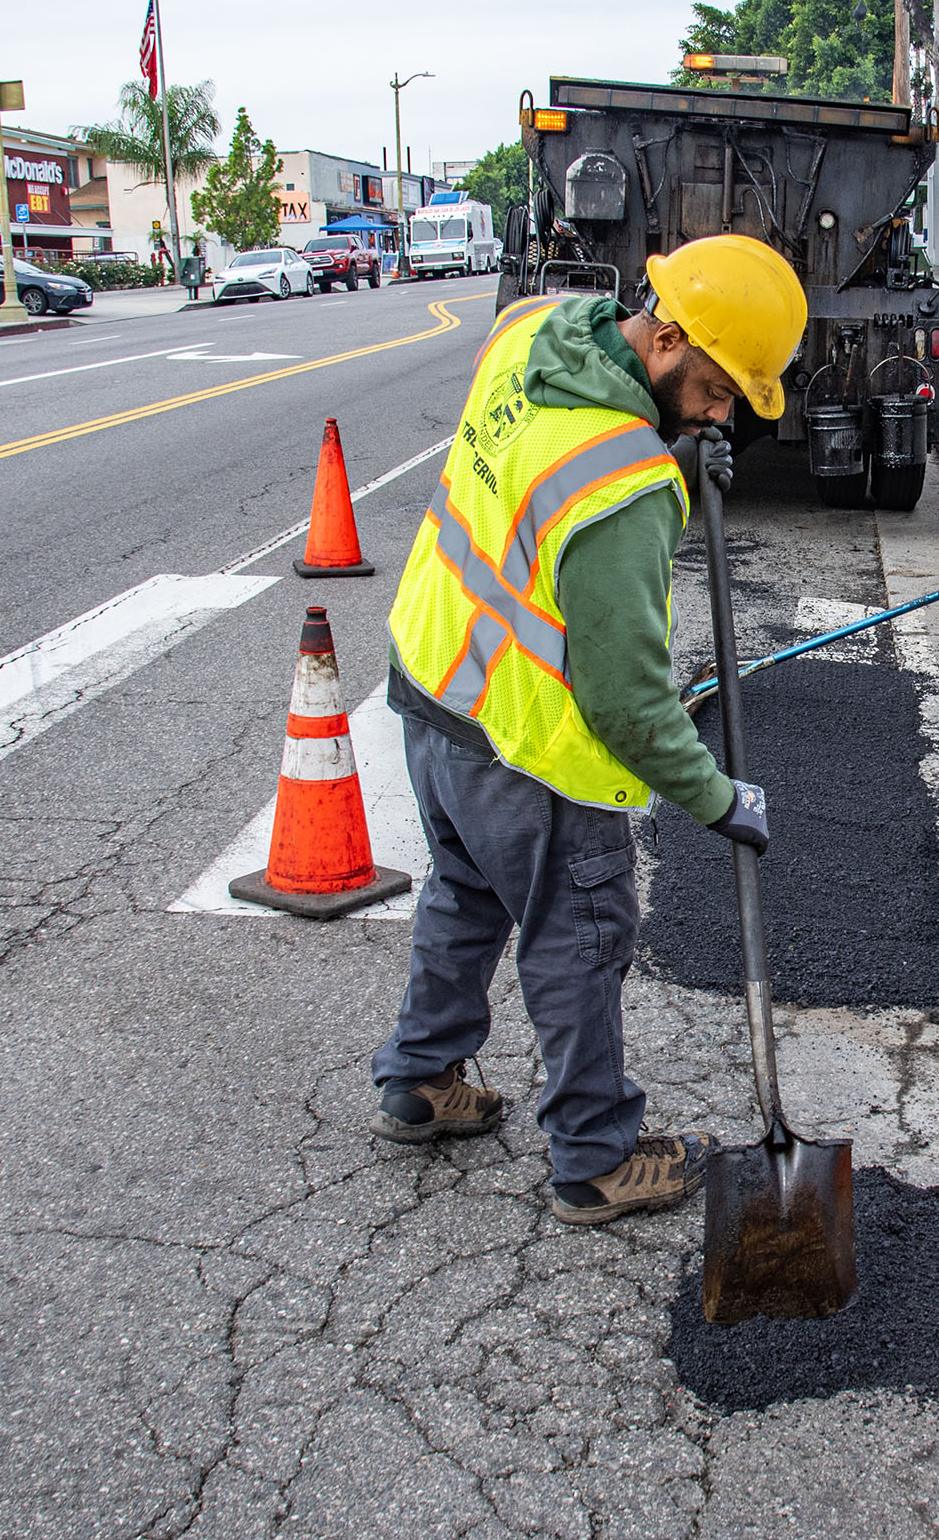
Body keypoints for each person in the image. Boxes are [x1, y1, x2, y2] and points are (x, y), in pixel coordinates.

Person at [376, 234, 805, 1225]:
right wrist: (715, 798)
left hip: (435, 689)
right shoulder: (623, 486)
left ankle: (419, 1078)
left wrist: (679, 452)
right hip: (531, 752)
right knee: (579, 939)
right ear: (667, 344)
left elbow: (534, 493)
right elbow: (626, 701)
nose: (718, 411)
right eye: (715, 389)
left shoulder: (529, 328)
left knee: (463, 895)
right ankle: (596, 1159)